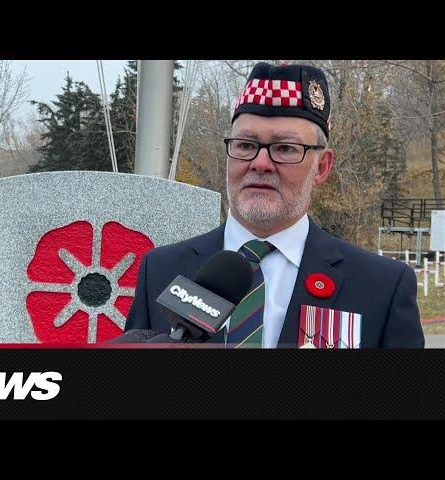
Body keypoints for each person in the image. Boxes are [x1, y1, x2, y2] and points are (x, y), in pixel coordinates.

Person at [124, 62, 424, 348]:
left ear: (321, 167)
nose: (260, 163)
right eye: (245, 145)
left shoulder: (382, 287)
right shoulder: (161, 270)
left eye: (285, 148)